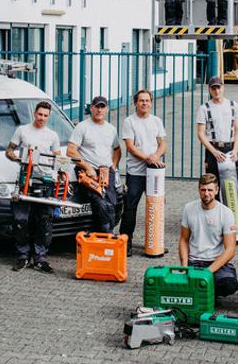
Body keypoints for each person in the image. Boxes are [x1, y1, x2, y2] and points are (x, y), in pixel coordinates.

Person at [5, 101, 61, 274]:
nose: (42, 118)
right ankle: (22, 256)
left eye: (45, 115)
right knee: (20, 220)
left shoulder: (52, 136)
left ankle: (40, 258)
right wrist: (19, 160)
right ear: (34, 114)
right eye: (39, 114)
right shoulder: (22, 131)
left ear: (48, 116)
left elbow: (58, 160)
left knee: (44, 221)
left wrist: (57, 174)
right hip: (25, 182)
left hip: (45, 183)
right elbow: (9, 151)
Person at [119, 89, 167, 255]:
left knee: (157, 207)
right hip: (136, 173)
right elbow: (130, 147)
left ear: (151, 102)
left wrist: (155, 157)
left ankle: (156, 243)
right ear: (135, 103)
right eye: (141, 101)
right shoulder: (129, 122)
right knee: (130, 208)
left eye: (147, 100)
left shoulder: (156, 121)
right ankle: (126, 242)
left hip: (155, 172)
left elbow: (162, 144)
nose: (144, 103)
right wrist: (148, 158)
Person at [179, 174, 238, 299]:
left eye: (210, 190)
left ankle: (207, 292)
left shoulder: (226, 213)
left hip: (215, 263)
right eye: (203, 190)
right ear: (199, 190)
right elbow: (184, 240)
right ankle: (203, 292)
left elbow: (230, 249)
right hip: (193, 261)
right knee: (180, 285)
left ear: (217, 190)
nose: (206, 194)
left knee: (229, 284)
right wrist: (184, 267)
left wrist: (207, 273)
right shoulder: (188, 208)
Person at [67, 95, 122, 234]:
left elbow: (117, 150)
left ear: (107, 109)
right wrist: (87, 167)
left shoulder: (111, 129)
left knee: (111, 204)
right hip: (87, 173)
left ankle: (104, 236)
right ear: (91, 108)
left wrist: (113, 168)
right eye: (97, 107)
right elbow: (71, 151)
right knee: (100, 202)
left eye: (102, 107)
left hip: (106, 171)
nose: (99, 110)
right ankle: (106, 236)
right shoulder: (82, 127)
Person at [196, 76, 238, 201]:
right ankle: (214, 216)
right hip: (213, 150)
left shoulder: (233, 106)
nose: (217, 91)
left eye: (219, 87)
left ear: (223, 88)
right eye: (214, 88)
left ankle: (234, 217)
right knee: (212, 185)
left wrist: (235, 150)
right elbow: (200, 134)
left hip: (230, 148)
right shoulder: (204, 108)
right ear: (209, 90)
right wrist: (214, 151)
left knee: (234, 185)